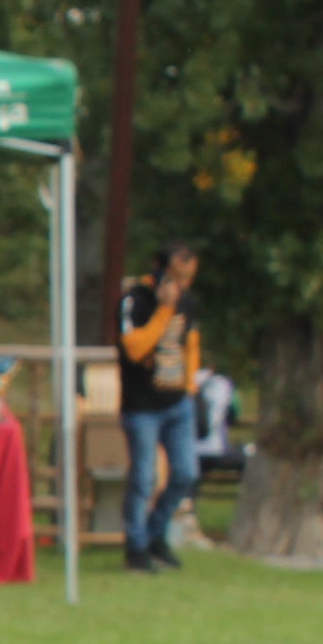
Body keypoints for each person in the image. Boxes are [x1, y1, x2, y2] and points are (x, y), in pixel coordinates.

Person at [116, 242, 204, 572]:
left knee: (185, 474)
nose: (183, 285)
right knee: (143, 479)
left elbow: (191, 343)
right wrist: (164, 310)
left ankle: (156, 534)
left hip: (177, 403)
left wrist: (190, 386)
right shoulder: (134, 299)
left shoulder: (187, 302)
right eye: (178, 277)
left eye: (189, 278)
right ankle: (135, 548)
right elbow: (135, 348)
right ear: (160, 270)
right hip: (142, 407)